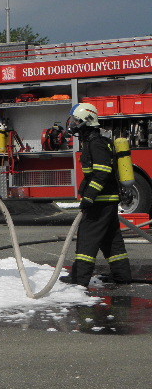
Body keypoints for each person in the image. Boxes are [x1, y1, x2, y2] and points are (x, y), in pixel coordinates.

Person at [60, 102, 132, 287]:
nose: (74, 124)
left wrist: (89, 196)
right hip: (107, 200)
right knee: (111, 239)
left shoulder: (96, 143)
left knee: (87, 238)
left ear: (87, 121)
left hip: (100, 201)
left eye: (77, 121)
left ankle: (79, 279)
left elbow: (102, 172)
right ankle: (122, 275)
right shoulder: (94, 141)